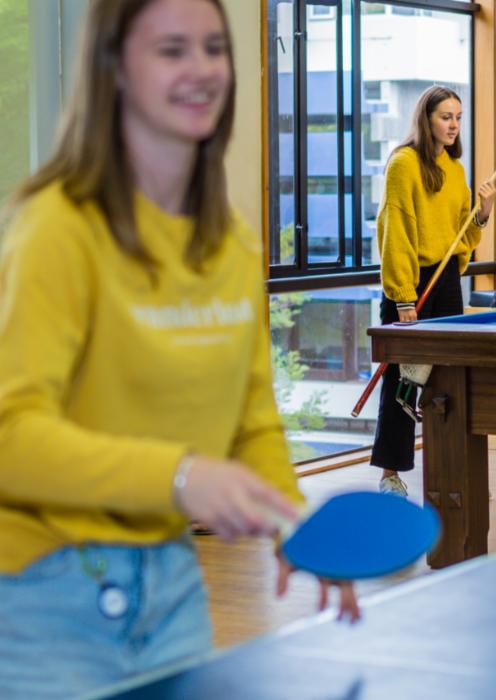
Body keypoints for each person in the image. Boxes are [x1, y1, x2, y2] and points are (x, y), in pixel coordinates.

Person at [0, 1, 357, 697]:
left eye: (213, 48)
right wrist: (182, 476)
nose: (202, 70)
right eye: (171, 50)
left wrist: (293, 523)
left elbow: (252, 418)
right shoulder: (57, 231)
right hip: (40, 593)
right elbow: (10, 436)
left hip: (170, 587)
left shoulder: (229, 243)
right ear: (115, 69)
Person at [370, 86, 496, 497]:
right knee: (404, 382)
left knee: (446, 378)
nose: (454, 125)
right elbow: (396, 235)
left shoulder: (455, 169)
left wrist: (483, 213)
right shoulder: (403, 164)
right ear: (426, 120)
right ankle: (390, 474)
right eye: (446, 116)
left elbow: (463, 236)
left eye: (458, 117)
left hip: (445, 284)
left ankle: (452, 468)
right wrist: (404, 297)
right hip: (410, 286)